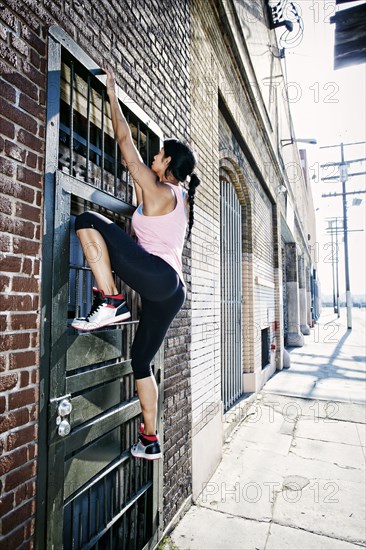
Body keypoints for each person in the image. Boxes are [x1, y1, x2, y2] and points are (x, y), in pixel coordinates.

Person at [71, 67, 200, 460]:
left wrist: (112, 92)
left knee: (87, 221)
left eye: (158, 154)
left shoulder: (157, 188)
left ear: (166, 165)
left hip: (160, 278)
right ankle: (150, 438)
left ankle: (110, 300)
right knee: (140, 361)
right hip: (172, 291)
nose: (152, 157)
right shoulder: (181, 198)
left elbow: (124, 140)